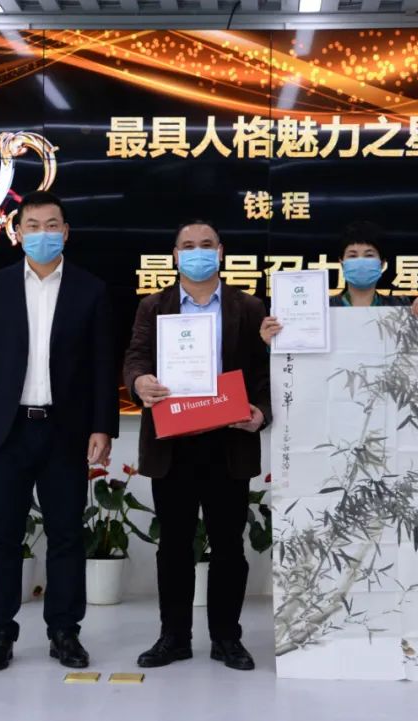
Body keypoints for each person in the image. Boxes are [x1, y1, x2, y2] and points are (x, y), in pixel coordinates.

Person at [0, 190, 119, 673]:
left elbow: (102, 365)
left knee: (67, 534)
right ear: (18, 233)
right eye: (33, 225)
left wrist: (103, 427)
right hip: (7, 431)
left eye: (52, 225)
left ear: (66, 233)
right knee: (2, 536)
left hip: (66, 431)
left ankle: (64, 632)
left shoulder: (91, 290)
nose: (43, 234)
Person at [123, 220, 270, 672]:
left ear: (221, 252)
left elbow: (265, 374)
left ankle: (227, 638)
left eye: (206, 245)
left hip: (229, 442)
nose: (197, 252)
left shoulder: (249, 307)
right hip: (174, 445)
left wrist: (261, 413)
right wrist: (139, 382)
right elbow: (135, 357)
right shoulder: (153, 306)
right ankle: (174, 637)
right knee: (174, 546)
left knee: (228, 547)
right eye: (188, 246)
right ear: (175, 255)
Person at [259, 221, 418, 343]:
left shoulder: (400, 306)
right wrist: (274, 341)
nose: (360, 261)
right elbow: (297, 357)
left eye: (369, 255)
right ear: (342, 263)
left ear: (382, 263)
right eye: (352, 256)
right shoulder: (320, 309)